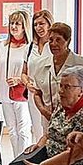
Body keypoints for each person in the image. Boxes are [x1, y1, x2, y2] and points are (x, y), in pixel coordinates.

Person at [0, 10, 32, 155]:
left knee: (23, 129)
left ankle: (24, 162)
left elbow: (33, 72)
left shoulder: (30, 47)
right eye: (12, 23)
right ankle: (16, 161)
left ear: (24, 26)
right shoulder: (1, 45)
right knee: (12, 130)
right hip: (4, 92)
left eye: (17, 23)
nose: (13, 26)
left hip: (22, 93)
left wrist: (19, 79)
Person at [29, 22, 83, 121]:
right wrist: (43, 111)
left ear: (68, 41)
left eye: (58, 40)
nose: (53, 44)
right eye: (51, 40)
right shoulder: (40, 65)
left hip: (76, 120)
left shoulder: (82, 64)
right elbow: (37, 93)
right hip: (49, 119)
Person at [22, 9, 54, 141]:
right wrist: (27, 83)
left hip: (50, 93)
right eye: (35, 25)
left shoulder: (54, 46)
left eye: (42, 24)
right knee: (36, 127)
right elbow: (24, 73)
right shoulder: (29, 48)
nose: (38, 27)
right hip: (33, 93)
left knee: (49, 127)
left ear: (49, 24)